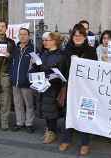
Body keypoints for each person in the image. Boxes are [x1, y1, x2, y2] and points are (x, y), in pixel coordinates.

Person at [58, 24, 97, 156]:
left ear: (85, 37)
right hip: (71, 88)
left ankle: (85, 143)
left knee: (85, 114)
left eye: (81, 35)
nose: (78, 37)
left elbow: (95, 70)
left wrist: (81, 61)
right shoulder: (67, 50)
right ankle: (66, 139)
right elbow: (62, 69)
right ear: (72, 36)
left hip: (86, 89)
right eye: (75, 35)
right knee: (69, 113)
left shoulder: (91, 50)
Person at [30, 32, 66, 144]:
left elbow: (63, 74)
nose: (44, 42)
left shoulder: (61, 56)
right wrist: (32, 73)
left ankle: (52, 132)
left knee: (52, 111)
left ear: (54, 41)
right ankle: (49, 130)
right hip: (42, 86)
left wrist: (53, 77)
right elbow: (36, 68)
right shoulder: (42, 54)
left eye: (47, 40)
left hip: (53, 88)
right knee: (45, 110)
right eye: (44, 40)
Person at [10, 28, 35, 133]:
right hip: (15, 81)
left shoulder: (33, 49)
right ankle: (19, 122)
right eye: (21, 34)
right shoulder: (15, 49)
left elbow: (36, 65)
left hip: (26, 82)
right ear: (18, 36)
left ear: (29, 36)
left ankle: (29, 123)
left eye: (25, 34)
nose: (23, 36)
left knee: (29, 104)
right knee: (17, 103)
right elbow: (11, 63)